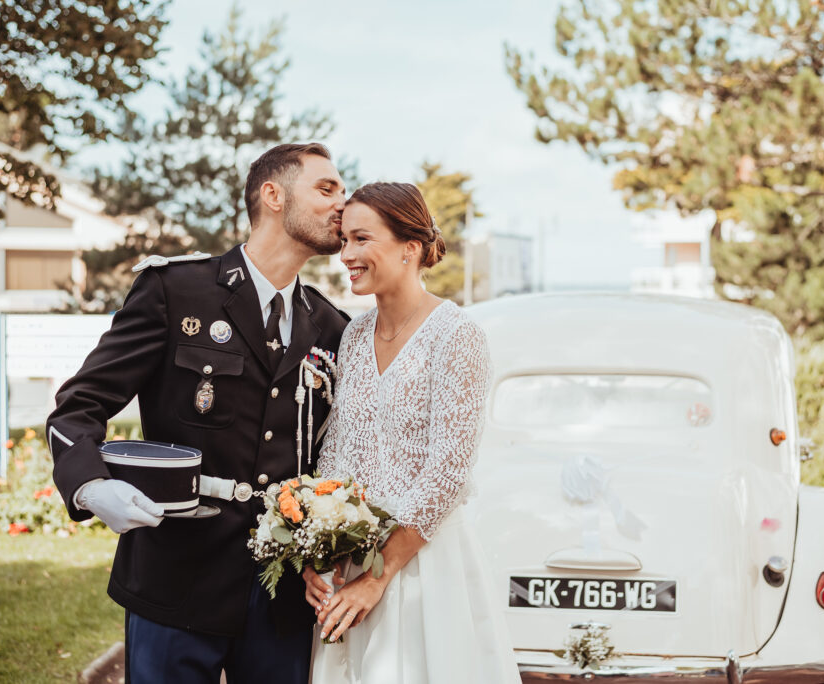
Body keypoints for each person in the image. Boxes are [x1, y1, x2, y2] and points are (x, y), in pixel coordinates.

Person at [46, 143, 350, 683]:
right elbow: (78, 407)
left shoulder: (330, 326)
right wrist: (92, 487)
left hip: (282, 593)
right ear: (273, 195)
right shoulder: (175, 291)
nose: (342, 206)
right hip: (176, 576)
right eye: (326, 189)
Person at [303, 182, 521, 683]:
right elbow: (336, 456)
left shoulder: (456, 335)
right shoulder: (353, 335)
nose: (347, 255)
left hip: (423, 566)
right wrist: (322, 556)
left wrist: (378, 578)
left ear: (411, 247)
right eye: (344, 242)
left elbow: (447, 471)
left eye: (362, 239)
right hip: (351, 566)